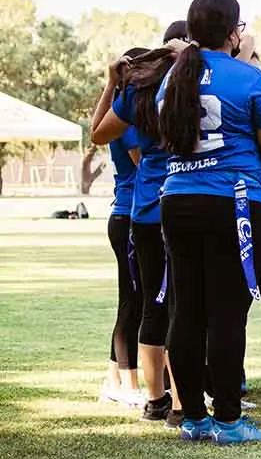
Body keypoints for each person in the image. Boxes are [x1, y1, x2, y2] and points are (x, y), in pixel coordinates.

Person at [157, 0, 261, 444]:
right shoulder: (249, 78)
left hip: (177, 198)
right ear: (234, 32)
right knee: (227, 312)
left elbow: (162, 135)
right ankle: (230, 420)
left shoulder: (173, 78)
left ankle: (193, 417)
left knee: (187, 310)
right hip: (232, 201)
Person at [91, 25, 186, 428]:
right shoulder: (184, 94)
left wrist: (112, 83)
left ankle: (155, 400)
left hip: (144, 211)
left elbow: (96, 133)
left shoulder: (133, 98)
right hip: (180, 205)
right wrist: (187, 55)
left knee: (152, 305)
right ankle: (184, 401)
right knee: (185, 307)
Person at [99, 46, 147, 408]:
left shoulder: (121, 109)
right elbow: (144, 163)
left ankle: (114, 377)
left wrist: (110, 82)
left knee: (136, 299)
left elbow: (94, 130)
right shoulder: (129, 117)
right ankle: (127, 384)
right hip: (130, 215)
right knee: (133, 301)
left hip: (125, 213)